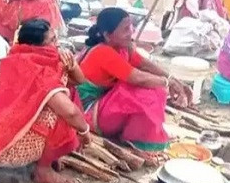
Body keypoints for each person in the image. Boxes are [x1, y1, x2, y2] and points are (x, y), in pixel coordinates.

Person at [0, 19, 90, 183]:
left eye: (55, 39)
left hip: (2, 135)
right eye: (52, 41)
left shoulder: (20, 54)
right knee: (60, 109)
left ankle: (46, 158)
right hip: (13, 147)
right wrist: (84, 131)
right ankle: (43, 169)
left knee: (66, 91)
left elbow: (79, 80)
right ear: (37, 46)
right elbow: (70, 112)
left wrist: (71, 64)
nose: (57, 45)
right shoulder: (38, 69)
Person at [77, 8, 192, 161]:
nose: (131, 32)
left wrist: (172, 78)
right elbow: (137, 77)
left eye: (131, 26)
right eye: (125, 29)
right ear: (107, 35)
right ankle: (141, 142)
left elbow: (143, 64)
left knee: (151, 88)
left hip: (104, 103)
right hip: (87, 111)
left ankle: (137, 135)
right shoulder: (103, 53)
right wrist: (167, 82)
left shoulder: (122, 48)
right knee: (143, 92)